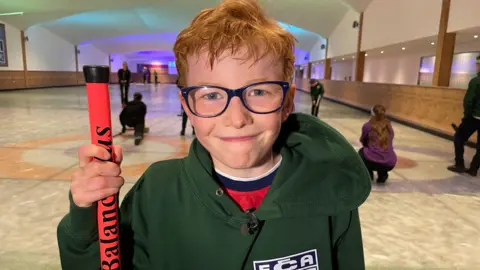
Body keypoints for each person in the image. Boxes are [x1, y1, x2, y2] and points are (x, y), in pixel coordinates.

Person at [56, 1, 371, 269]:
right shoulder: (157, 191)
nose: (236, 119)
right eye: (210, 95)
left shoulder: (330, 192)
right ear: (187, 107)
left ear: (286, 103)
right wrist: (87, 220)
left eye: (259, 91)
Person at [448, 55, 480, 176]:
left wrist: (466, 116)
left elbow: (468, 101)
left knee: (459, 137)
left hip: (473, 117)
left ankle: (459, 164)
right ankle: (474, 169)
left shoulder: (476, 81)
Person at [358, 105, 397, 183]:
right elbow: (390, 141)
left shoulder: (367, 126)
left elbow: (363, 140)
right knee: (383, 152)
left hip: (371, 161)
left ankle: (368, 174)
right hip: (389, 162)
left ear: (372, 114)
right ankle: (383, 174)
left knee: (361, 152)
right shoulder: (389, 127)